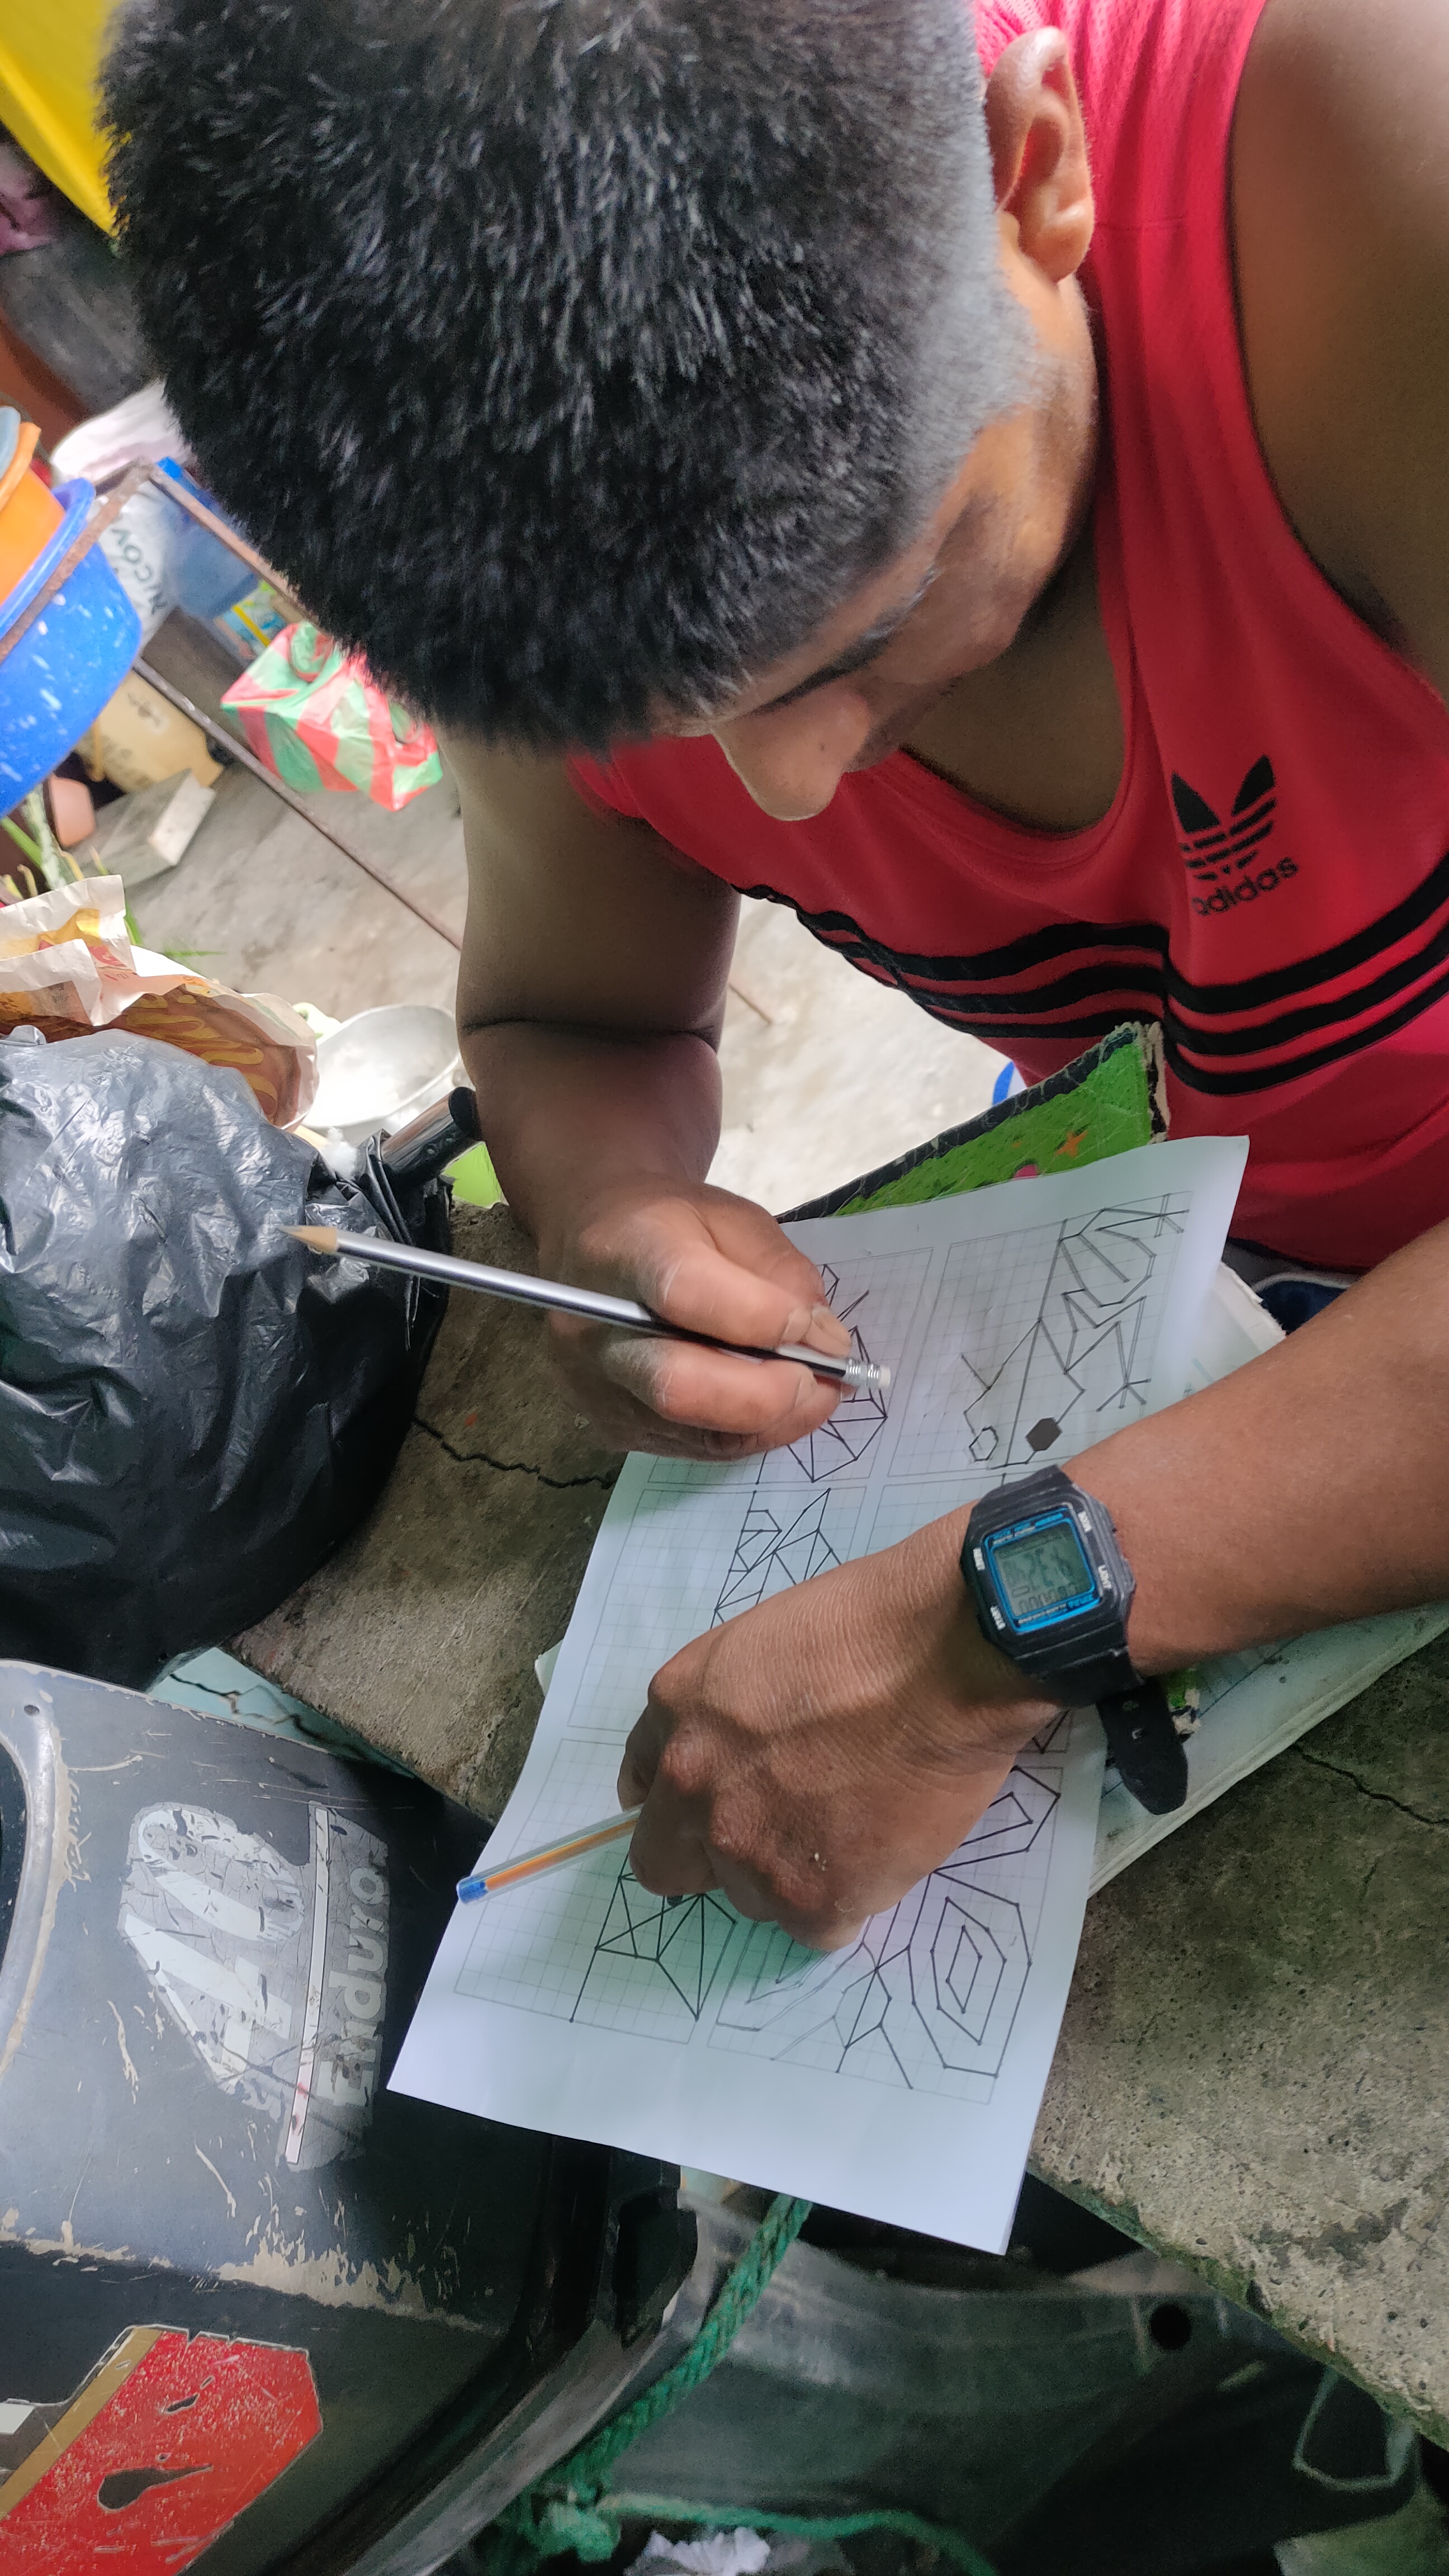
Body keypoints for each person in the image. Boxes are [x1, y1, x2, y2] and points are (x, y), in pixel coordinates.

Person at [106, 0, 1449, 1952]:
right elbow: (575, 1016)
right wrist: (616, 1216)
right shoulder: (524, 551)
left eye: (866, 634)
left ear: (1030, 175)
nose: (787, 790)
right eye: (664, 725)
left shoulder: (1372, 206)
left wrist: (1002, 1621)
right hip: (1241, 1257)